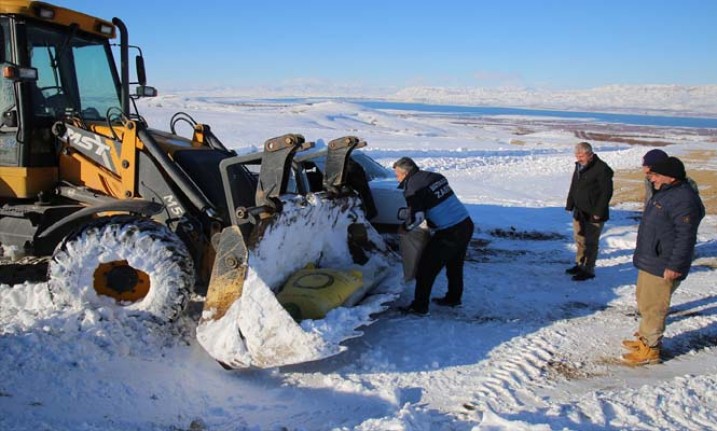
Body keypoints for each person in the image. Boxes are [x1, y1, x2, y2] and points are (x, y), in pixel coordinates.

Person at [622, 156, 704, 365]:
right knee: (645, 301)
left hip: (664, 262)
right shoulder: (668, 192)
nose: (652, 179)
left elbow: (686, 237)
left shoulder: (684, 199)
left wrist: (675, 266)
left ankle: (650, 350)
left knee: (654, 307)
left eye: (656, 175)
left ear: (670, 177)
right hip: (651, 258)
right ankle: (644, 338)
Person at [392, 157, 474, 315]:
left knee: (425, 270)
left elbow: (417, 218)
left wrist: (404, 228)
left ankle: (419, 307)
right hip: (466, 223)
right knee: (455, 265)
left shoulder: (412, 188)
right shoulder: (435, 176)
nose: (397, 178)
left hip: (449, 233)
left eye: (397, 174)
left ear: (405, 173)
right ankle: (453, 298)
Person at [565, 142, 614, 281]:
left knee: (591, 242)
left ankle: (589, 269)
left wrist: (598, 211)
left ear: (590, 155)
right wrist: (570, 204)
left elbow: (606, 193)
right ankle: (579, 264)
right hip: (579, 211)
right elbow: (574, 186)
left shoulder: (602, 169)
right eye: (577, 155)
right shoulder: (579, 166)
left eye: (581, 155)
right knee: (580, 239)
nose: (578, 158)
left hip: (594, 213)